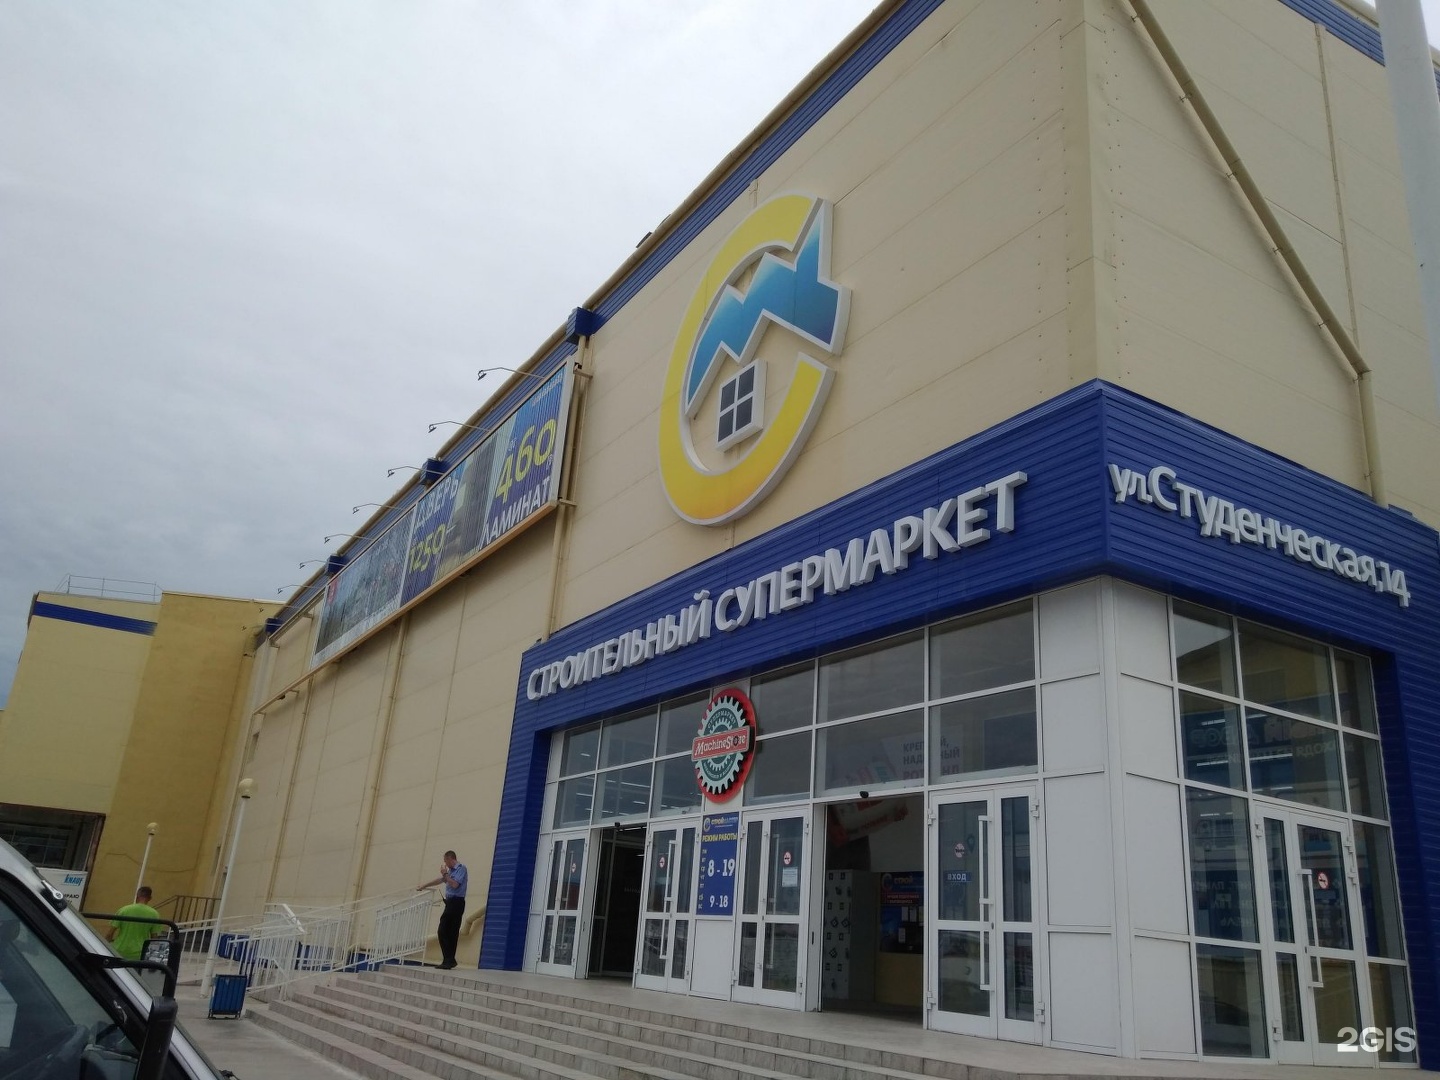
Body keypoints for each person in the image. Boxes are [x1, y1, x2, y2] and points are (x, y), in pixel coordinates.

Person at [417, 850, 467, 969]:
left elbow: (455, 885)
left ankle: (449, 960)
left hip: (456, 902)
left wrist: (445, 874)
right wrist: (424, 885)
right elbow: (440, 880)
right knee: (447, 931)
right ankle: (449, 960)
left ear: (450, 859)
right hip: (450, 903)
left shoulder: (461, 869)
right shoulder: (450, 872)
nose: (445, 864)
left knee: (445, 930)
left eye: (445, 861)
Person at [107, 886, 162, 961]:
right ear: (150, 898)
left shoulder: (124, 910)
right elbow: (154, 938)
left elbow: (109, 934)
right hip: (139, 954)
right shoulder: (154, 914)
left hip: (119, 951)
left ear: (137, 896)